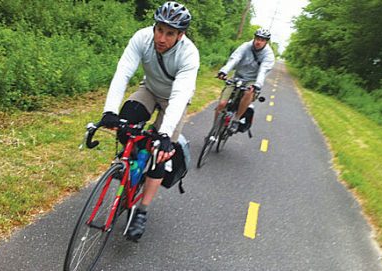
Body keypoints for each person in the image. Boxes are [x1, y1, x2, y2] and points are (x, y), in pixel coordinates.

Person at [97, 1, 199, 241]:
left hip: (174, 99)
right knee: (126, 120)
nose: (161, 38)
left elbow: (180, 95)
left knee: (159, 153)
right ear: (154, 27)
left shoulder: (189, 54)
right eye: (159, 29)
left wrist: (164, 136)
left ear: (180, 35)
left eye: (170, 33)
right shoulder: (142, 38)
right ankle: (129, 162)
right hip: (150, 89)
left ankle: (142, 210)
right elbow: (123, 72)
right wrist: (109, 111)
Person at [216, 28, 275, 133]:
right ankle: (215, 128)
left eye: (262, 40)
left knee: (249, 92)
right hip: (237, 77)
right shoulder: (246, 46)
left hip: (252, 80)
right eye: (257, 38)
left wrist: (257, 85)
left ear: (266, 42)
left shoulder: (268, 55)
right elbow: (235, 58)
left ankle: (236, 119)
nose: (258, 42)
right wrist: (224, 71)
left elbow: (263, 71)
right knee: (222, 104)